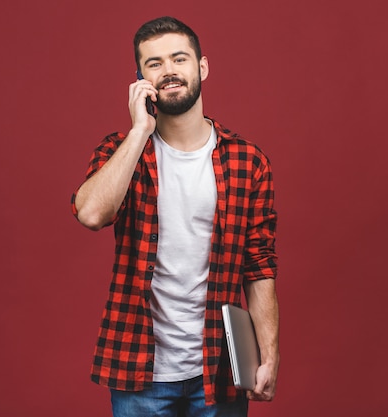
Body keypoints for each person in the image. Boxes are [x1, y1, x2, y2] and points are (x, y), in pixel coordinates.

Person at [71, 16, 279, 417]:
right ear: (140, 79)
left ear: (201, 67)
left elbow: (259, 266)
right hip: (140, 371)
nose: (168, 71)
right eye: (154, 63)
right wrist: (138, 132)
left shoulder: (247, 161)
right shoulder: (121, 152)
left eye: (179, 59)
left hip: (218, 368)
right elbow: (92, 213)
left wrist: (268, 355)